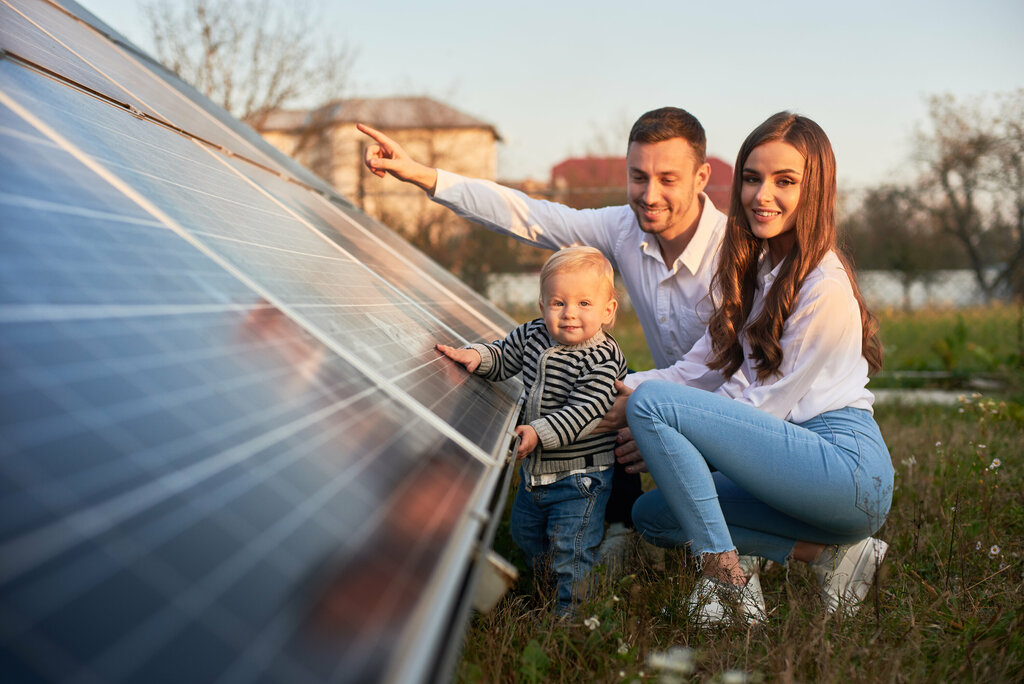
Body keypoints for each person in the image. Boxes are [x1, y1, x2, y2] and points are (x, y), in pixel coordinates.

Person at [358, 108, 727, 556]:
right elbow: (530, 215)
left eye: (668, 179)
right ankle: (617, 527)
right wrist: (424, 175)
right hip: (668, 397)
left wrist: (645, 407)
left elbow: (724, 368)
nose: (650, 194)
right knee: (604, 395)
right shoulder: (624, 229)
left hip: (746, 411)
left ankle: (738, 536)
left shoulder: (733, 253)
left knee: (616, 393)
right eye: (638, 177)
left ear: (701, 177)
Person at [618, 112, 894, 624]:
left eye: (784, 181)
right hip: (789, 460)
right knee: (653, 516)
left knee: (654, 409)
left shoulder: (824, 288)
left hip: (844, 470)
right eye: (752, 178)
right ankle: (835, 556)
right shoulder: (761, 271)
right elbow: (694, 371)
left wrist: (654, 418)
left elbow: (762, 409)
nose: (761, 195)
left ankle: (727, 585)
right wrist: (614, 393)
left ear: (815, 189)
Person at [436, 247, 628, 613]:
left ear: (608, 310)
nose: (570, 313)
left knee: (570, 550)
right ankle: (546, 587)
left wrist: (538, 432)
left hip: (580, 479)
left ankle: (570, 615)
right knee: (525, 533)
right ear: (542, 305)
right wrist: (478, 356)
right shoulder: (534, 334)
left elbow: (586, 410)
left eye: (584, 303)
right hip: (536, 474)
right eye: (558, 302)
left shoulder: (603, 359)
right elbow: (505, 354)